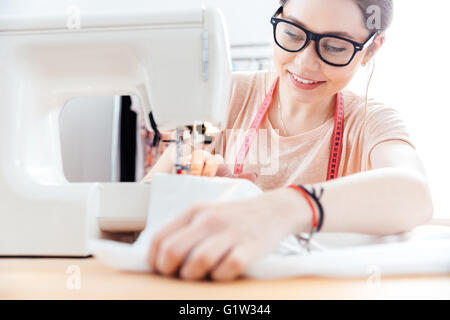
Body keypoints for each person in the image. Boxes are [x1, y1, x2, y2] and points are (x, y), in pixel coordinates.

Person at [141, 0, 433, 281]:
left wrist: (280, 210)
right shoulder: (222, 99)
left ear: (370, 50)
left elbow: (415, 194)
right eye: (292, 33)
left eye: (334, 47)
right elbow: (145, 200)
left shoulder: (371, 123)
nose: (305, 62)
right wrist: (187, 190)